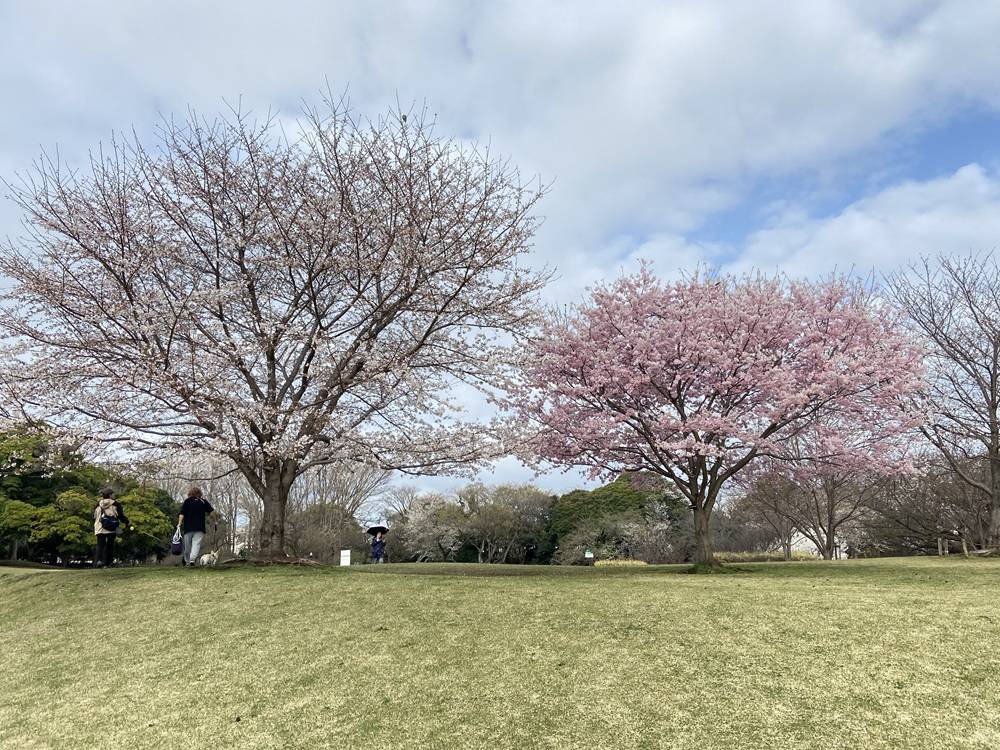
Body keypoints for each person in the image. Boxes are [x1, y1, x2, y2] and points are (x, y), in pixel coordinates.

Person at [177, 486, 215, 567]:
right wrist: (215, 520)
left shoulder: (187, 501)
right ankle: (192, 560)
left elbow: (182, 513)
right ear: (200, 494)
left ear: (190, 493)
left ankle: (188, 561)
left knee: (187, 545)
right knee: (196, 544)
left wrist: (179, 523)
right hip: (200, 528)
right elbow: (212, 512)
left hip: (188, 527)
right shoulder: (203, 502)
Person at [93, 488, 128, 568]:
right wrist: (127, 522)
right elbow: (121, 516)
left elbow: (94, 516)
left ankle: (98, 562)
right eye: (112, 494)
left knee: (100, 545)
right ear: (110, 495)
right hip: (111, 526)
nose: (113, 495)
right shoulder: (116, 504)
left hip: (99, 527)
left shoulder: (98, 504)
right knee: (109, 545)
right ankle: (107, 563)